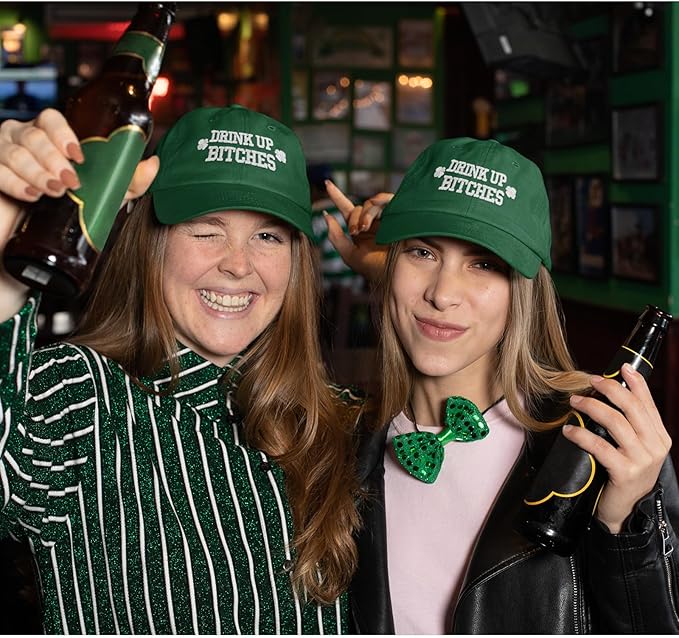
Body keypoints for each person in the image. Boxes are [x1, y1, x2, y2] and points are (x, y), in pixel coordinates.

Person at [0, 105, 364, 634]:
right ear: (152, 243)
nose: (239, 264)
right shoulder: (83, 395)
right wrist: (8, 261)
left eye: (268, 236)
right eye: (205, 228)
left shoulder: (335, 420)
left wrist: (409, 266)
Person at [324, 137, 679, 633]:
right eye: (424, 251)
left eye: (484, 263)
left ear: (524, 292)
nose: (443, 294)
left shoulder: (595, 444)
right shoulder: (338, 443)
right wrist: (393, 278)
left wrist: (626, 529)